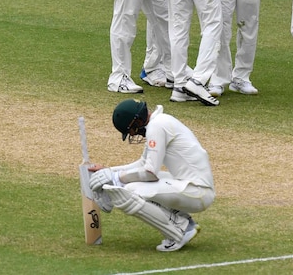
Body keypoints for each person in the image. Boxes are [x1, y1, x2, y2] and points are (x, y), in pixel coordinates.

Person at [88, 99, 214, 252]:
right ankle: (186, 222)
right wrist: (108, 171)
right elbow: (142, 164)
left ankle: (179, 231)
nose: (133, 134)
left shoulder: (157, 126)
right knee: (131, 184)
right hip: (191, 187)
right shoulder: (159, 122)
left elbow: (150, 173)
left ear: (138, 120)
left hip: (198, 192)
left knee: (130, 190)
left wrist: (115, 178)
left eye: (132, 130)